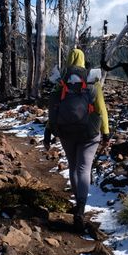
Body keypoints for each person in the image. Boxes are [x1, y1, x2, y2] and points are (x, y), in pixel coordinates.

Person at [44, 48, 109, 232]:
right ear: (82, 60)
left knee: (73, 167)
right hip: (89, 132)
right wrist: (106, 133)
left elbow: (52, 109)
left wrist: (48, 132)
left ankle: (77, 202)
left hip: (66, 132)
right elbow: (101, 109)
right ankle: (81, 207)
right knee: (84, 168)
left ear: (69, 60)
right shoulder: (91, 81)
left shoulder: (60, 81)